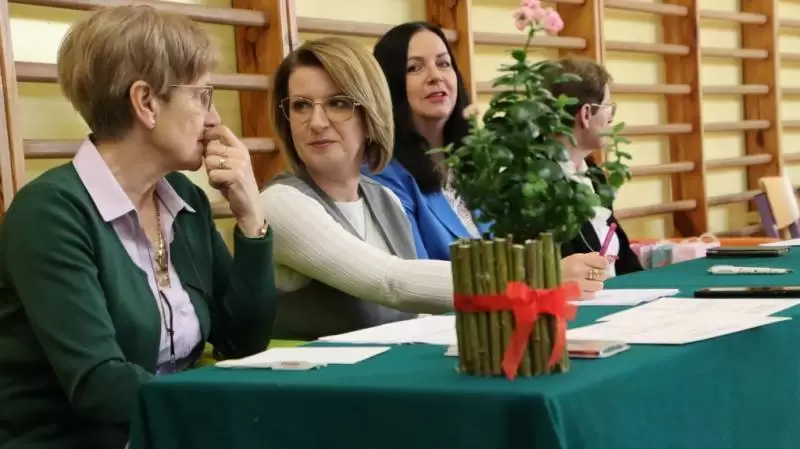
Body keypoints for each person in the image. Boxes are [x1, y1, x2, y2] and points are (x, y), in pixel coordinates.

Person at [0, 6, 276, 448]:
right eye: (202, 96)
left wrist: (251, 218)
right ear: (146, 102)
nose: (213, 120)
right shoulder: (49, 213)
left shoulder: (185, 199)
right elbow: (99, 382)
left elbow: (242, 342)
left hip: (168, 432)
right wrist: (223, 410)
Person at [367, 21, 611, 297]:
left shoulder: (479, 162)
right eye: (414, 68)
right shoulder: (383, 174)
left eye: (444, 63)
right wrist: (544, 275)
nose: (435, 76)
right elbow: (417, 283)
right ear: (390, 84)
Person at [259, 36, 454, 341]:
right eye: (301, 106)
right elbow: (390, 283)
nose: (317, 122)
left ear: (370, 115)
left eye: (338, 103)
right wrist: (513, 284)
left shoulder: (385, 198)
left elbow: (413, 315)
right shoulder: (279, 204)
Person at [547, 57, 643, 277]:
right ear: (586, 114)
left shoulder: (594, 175)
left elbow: (626, 262)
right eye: (609, 108)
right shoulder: (543, 185)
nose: (611, 118)